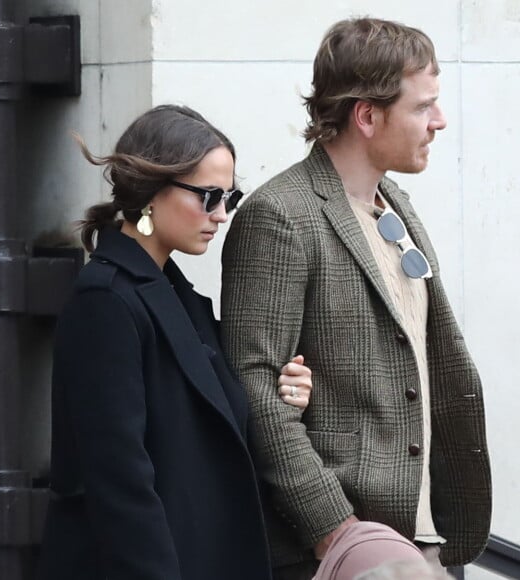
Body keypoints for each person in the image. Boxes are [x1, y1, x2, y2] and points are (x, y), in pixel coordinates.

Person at [221, 17, 492, 580]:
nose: (439, 121)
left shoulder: (394, 204)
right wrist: (333, 530)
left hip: (422, 540)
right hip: (342, 551)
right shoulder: (281, 216)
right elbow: (254, 382)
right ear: (367, 115)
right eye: (423, 107)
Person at [36, 104, 313, 580]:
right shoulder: (106, 302)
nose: (222, 215)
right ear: (150, 192)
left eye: (230, 197)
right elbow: (120, 483)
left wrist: (284, 387)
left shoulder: (176, 296)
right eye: (208, 197)